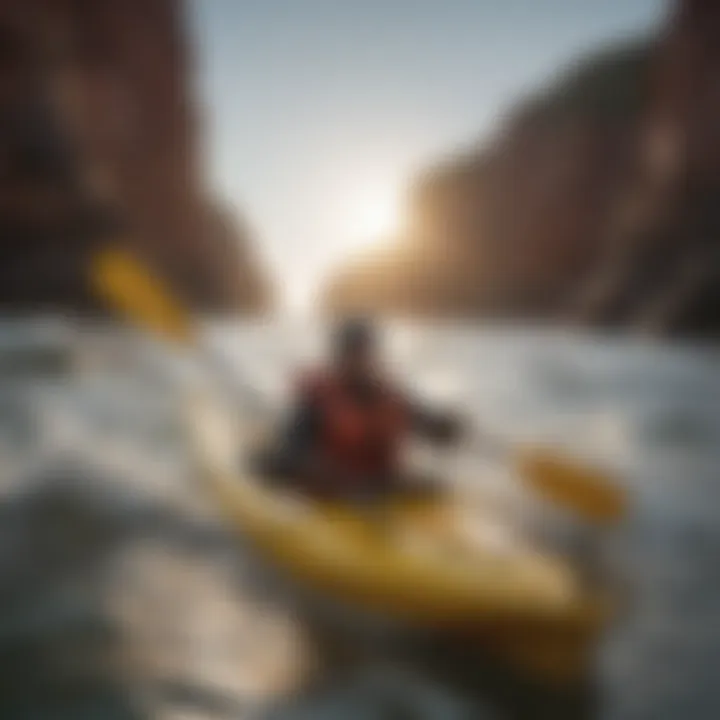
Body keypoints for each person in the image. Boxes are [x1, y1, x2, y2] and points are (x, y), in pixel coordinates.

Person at [254, 318, 464, 500]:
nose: (359, 362)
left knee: (432, 484)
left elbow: (433, 428)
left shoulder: (392, 398)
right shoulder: (316, 402)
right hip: (334, 495)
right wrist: (322, 475)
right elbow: (286, 455)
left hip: (382, 489)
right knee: (270, 462)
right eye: (351, 355)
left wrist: (446, 427)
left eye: (364, 354)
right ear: (338, 359)